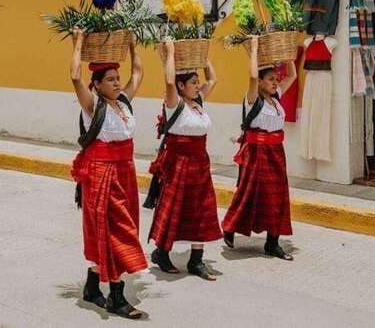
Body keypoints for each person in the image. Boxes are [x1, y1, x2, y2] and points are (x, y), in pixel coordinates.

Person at [69, 30, 147, 319]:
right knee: (116, 233)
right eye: (111, 79)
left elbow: (138, 72)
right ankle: (116, 297)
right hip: (103, 175)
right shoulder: (93, 106)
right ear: (97, 85)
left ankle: (92, 287)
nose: (117, 82)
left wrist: (132, 44)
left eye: (117, 78)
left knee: (120, 230)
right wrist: (78, 42)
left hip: (126, 172)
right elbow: (76, 77)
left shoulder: (123, 102)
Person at [147, 40, 221, 280]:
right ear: (181, 85)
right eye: (192, 83)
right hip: (179, 164)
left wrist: (202, 57)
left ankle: (196, 261)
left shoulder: (197, 102)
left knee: (202, 209)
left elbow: (213, 80)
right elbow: (169, 81)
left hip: (200, 162)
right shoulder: (174, 103)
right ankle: (162, 252)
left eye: (197, 82)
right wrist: (170, 54)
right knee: (174, 210)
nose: (198, 86)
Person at [222, 36, 297, 260]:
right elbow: (252, 76)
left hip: (276, 153)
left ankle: (272, 243)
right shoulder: (253, 99)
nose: (276, 82)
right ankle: (229, 227)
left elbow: (292, 75)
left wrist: (287, 53)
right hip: (257, 153)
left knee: (277, 197)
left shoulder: (277, 98)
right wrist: (254, 49)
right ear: (261, 82)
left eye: (276, 79)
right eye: (271, 79)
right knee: (249, 193)